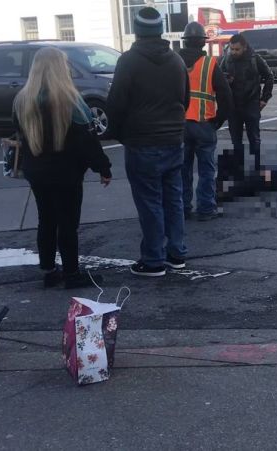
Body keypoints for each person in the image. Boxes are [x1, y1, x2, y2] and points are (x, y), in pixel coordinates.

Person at [12, 47, 112, 289]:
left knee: (46, 219)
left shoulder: (22, 100)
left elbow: (19, 134)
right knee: (68, 223)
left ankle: (48, 270)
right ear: (60, 68)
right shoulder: (71, 101)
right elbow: (87, 141)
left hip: (36, 170)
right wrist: (103, 168)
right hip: (66, 172)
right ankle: (72, 274)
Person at [106, 7, 190, 277]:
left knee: (150, 202)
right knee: (173, 199)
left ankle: (153, 259)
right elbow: (185, 100)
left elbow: (116, 105)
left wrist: (122, 134)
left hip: (142, 142)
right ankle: (176, 254)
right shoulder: (176, 61)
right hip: (174, 140)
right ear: (160, 30)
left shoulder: (129, 61)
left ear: (137, 30)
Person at [179, 21, 233, 221]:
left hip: (179, 126)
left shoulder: (173, 62)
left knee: (182, 169)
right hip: (204, 125)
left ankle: (183, 208)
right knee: (206, 170)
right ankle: (206, 209)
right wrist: (217, 121)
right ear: (202, 42)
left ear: (185, 42)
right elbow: (226, 98)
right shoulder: (210, 64)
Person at [220, 33, 273, 171]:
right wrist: (226, 80)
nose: (234, 52)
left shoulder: (255, 59)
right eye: (232, 49)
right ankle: (239, 169)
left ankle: (257, 169)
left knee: (254, 138)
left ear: (244, 47)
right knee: (236, 141)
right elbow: (219, 78)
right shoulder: (226, 59)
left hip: (251, 104)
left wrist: (264, 99)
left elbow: (269, 76)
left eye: (237, 49)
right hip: (234, 107)